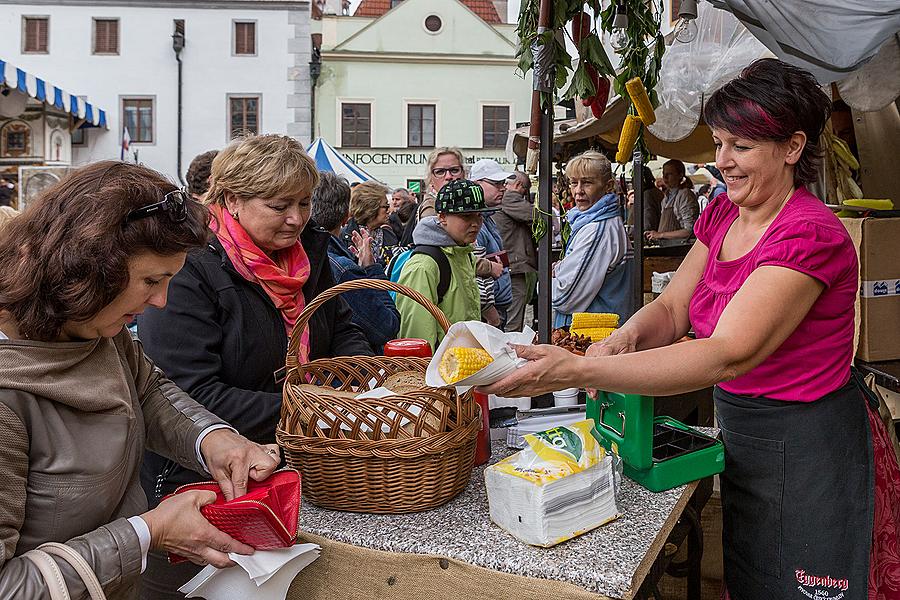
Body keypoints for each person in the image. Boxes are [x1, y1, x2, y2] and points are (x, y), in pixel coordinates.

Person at [480, 59, 900, 600]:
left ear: (793, 147)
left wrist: (584, 367)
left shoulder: (809, 234)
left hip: (810, 443)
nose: (722, 161)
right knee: (752, 578)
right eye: (720, 143)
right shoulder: (725, 212)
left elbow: (726, 353)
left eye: (741, 147)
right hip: (745, 433)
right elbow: (675, 309)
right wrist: (622, 339)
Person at [0, 161, 281, 599]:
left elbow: (147, 389)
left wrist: (214, 439)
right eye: (151, 280)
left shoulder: (93, 324)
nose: (162, 301)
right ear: (88, 268)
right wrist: (148, 533)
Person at [136, 134, 372, 598]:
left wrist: (358, 382)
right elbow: (185, 392)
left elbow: (342, 328)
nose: (297, 218)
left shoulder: (310, 257)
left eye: (304, 203)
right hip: (198, 483)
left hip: (292, 466)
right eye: (279, 204)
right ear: (231, 200)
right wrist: (313, 412)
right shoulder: (189, 268)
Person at [396, 179, 489, 350]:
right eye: (466, 216)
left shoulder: (463, 252)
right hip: (438, 371)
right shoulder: (424, 265)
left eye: (479, 215)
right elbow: (416, 337)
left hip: (461, 367)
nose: (475, 223)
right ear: (442, 217)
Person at [311, 171, 400, 352]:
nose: (389, 211)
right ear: (346, 216)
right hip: (348, 373)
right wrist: (371, 268)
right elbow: (387, 326)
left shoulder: (299, 257)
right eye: (385, 207)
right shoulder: (342, 268)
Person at [551, 150, 633, 327]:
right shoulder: (593, 222)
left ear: (608, 186)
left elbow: (565, 298)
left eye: (587, 183)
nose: (578, 191)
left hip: (590, 334)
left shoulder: (597, 230)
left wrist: (546, 283)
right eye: (574, 183)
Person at [469, 159, 513, 329]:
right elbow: (473, 272)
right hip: (489, 313)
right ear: (476, 184)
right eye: (496, 183)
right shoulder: (476, 223)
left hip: (496, 305)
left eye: (503, 183)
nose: (503, 188)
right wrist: (490, 313)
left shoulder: (488, 217)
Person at [493, 170, 536, 333]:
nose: (503, 187)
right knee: (513, 321)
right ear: (519, 186)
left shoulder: (502, 200)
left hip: (505, 264)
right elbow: (538, 216)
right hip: (513, 266)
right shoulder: (511, 197)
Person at [341, 180, 399, 268]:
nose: (389, 211)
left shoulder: (389, 234)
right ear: (370, 208)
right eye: (386, 206)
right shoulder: (344, 236)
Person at [645, 159, 699, 242]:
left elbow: (689, 230)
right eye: (664, 174)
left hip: (679, 248)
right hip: (666, 245)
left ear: (680, 175)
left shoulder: (685, 195)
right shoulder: (666, 198)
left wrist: (660, 235)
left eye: (669, 174)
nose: (665, 177)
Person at [417, 147, 466, 220]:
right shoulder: (430, 212)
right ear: (431, 179)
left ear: (464, 174)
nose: (448, 177)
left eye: (454, 170)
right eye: (440, 172)